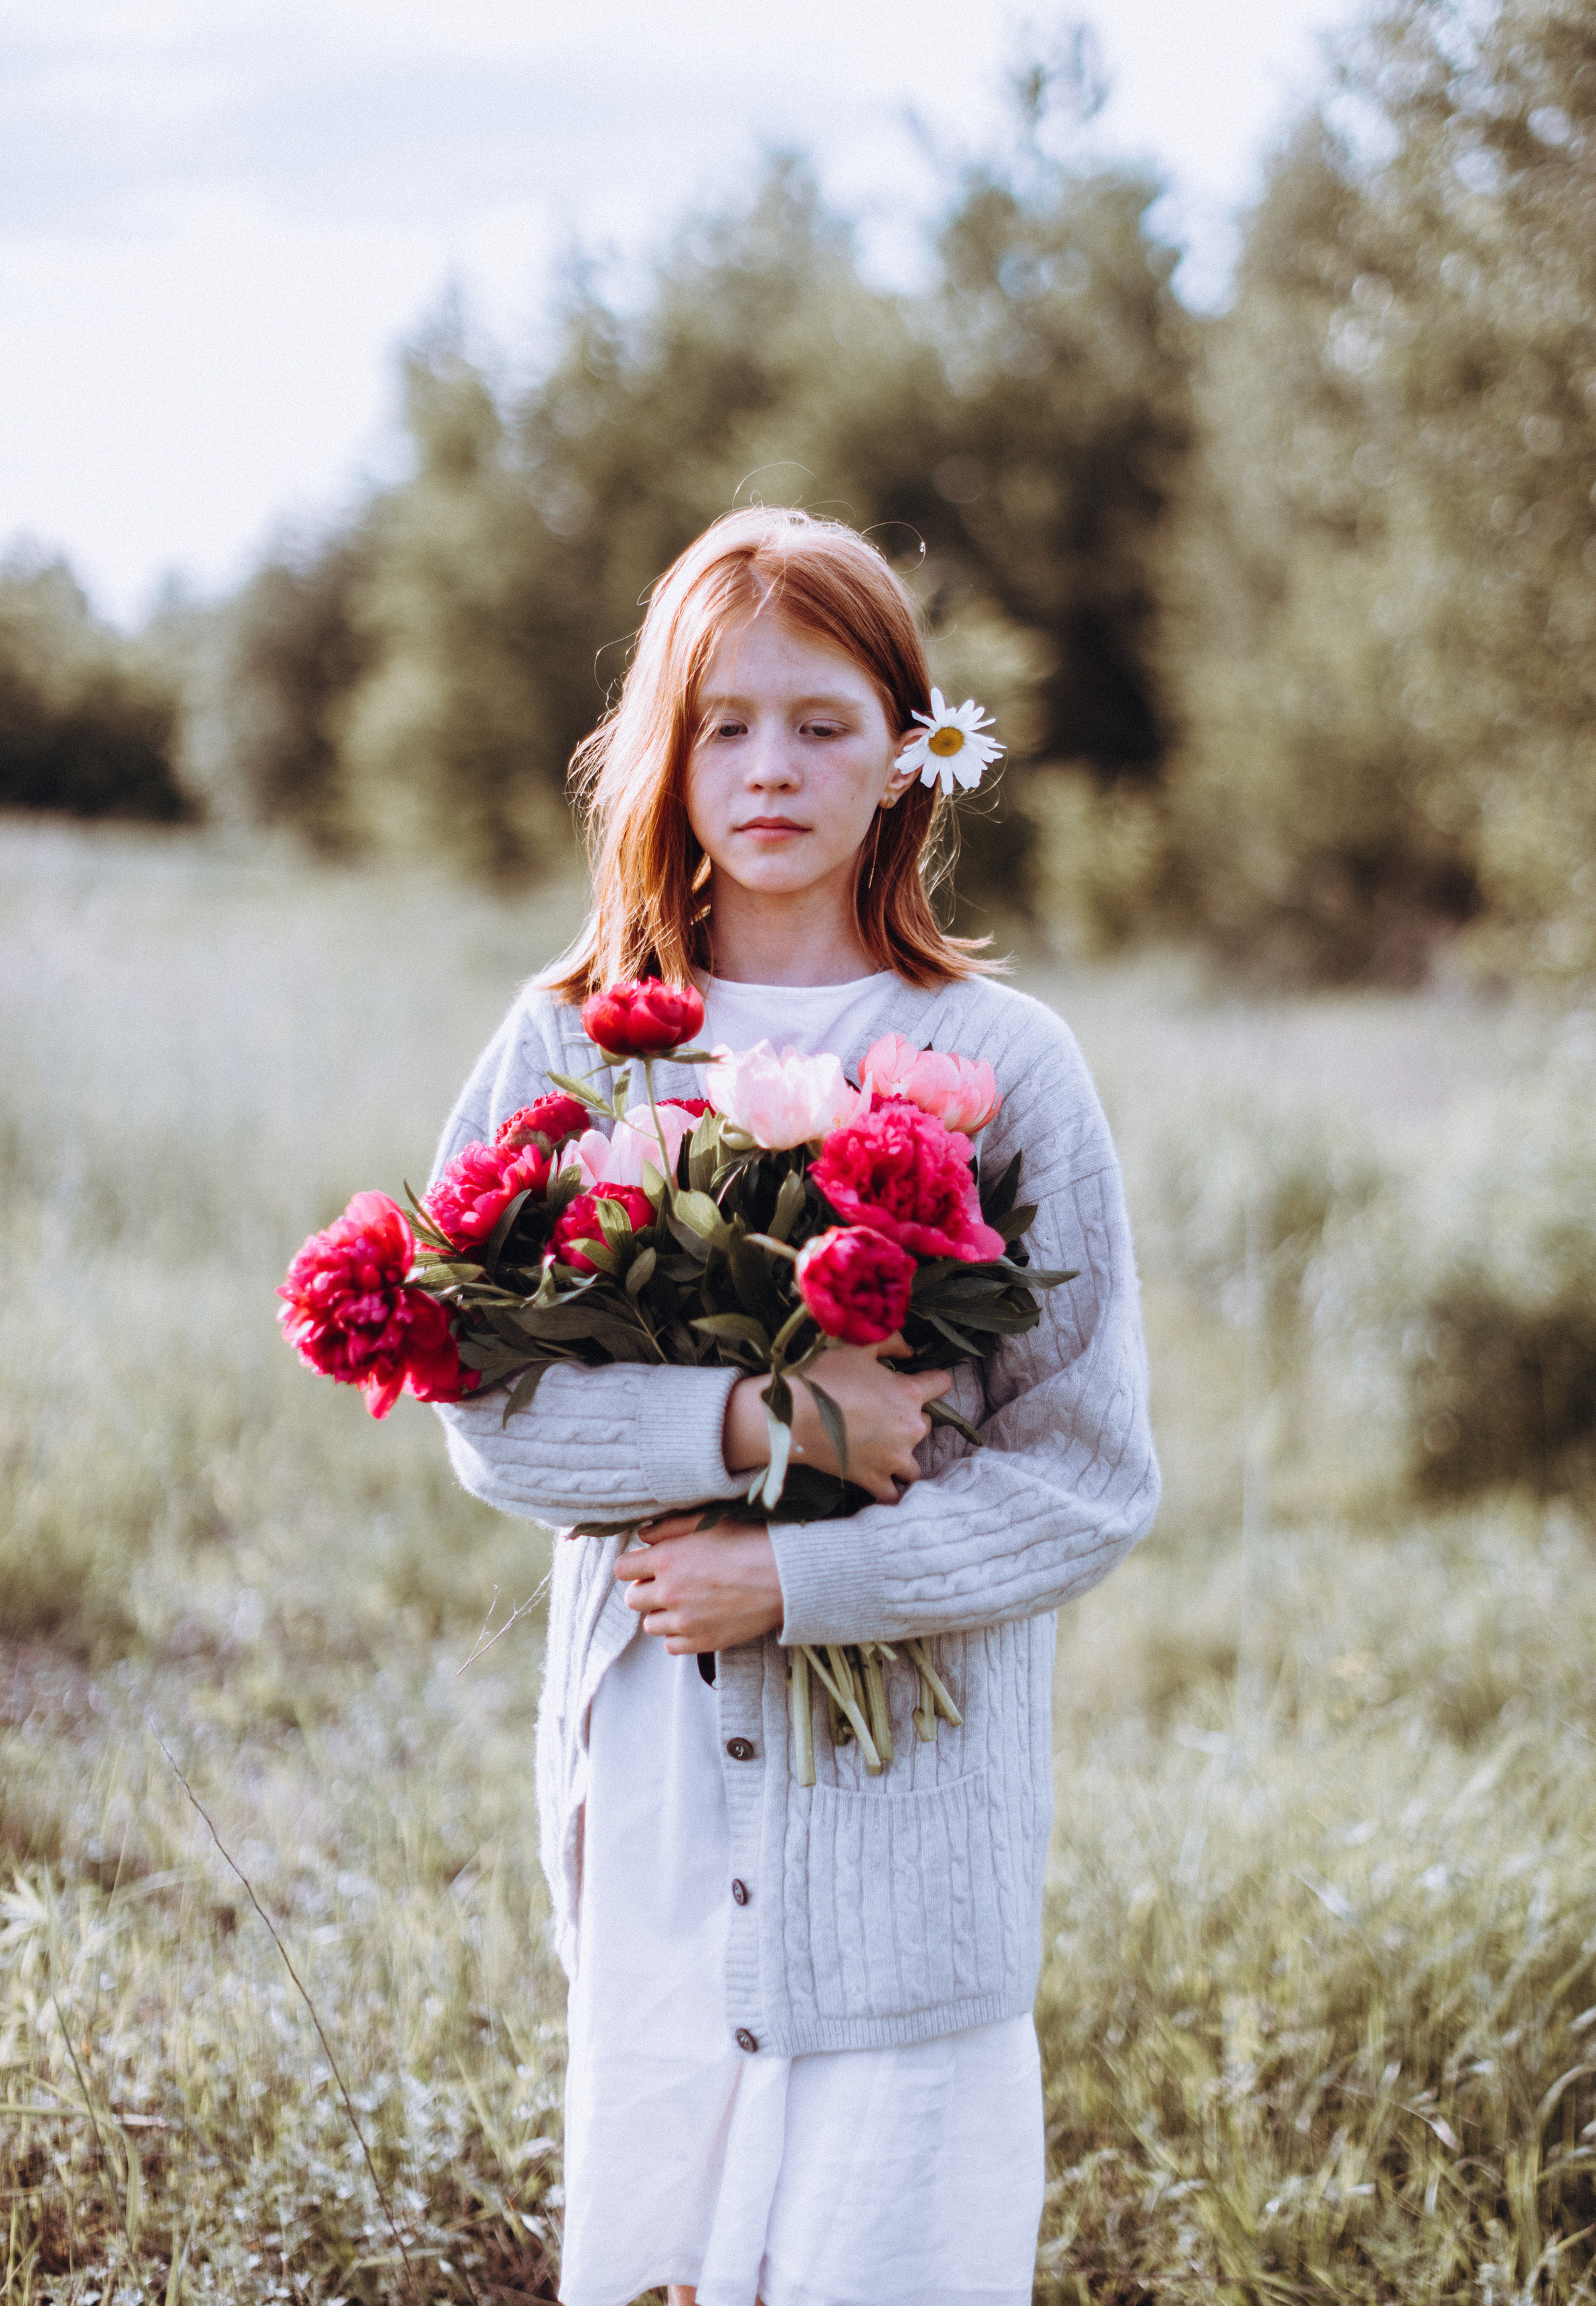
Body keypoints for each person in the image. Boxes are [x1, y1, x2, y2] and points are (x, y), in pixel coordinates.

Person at [432, 507, 1160, 2306]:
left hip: (913, 1785)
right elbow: (482, 1408)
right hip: (664, 1754)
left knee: (878, 2242)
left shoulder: (1004, 1064)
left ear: (910, 750)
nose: (771, 766)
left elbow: (1087, 1476)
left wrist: (807, 1581)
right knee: (672, 2229)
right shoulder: (575, 1043)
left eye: (826, 722)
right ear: (663, 752)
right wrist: (768, 1435)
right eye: (724, 720)